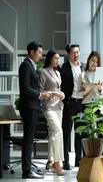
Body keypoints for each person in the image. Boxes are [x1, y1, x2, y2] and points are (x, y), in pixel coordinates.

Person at [19, 41, 51, 179]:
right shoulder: (25, 65)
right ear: (31, 52)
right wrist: (40, 95)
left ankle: (28, 167)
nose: (40, 56)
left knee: (29, 139)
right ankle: (26, 171)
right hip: (29, 107)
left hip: (32, 107)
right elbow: (25, 87)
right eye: (39, 53)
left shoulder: (31, 66)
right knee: (28, 139)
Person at [40, 50, 65, 176]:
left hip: (58, 106)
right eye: (56, 58)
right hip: (48, 107)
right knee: (58, 131)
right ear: (50, 59)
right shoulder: (44, 72)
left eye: (59, 58)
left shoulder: (58, 73)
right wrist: (54, 94)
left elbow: (58, 89)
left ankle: (50, 161)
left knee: (53, 134)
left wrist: (62, 94)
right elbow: (41, 91)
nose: (58, 60)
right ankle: (57, 163)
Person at [78, 51, 103, 155]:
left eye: (97, 62)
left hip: (100, 105)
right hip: (87, 105)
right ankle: (87, 159)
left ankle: (102, 158)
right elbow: (80, 93)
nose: (94, 63)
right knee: (86, 134)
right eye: (92, 60)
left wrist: (98, 88)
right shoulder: (82, 75)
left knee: (102, 132)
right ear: (88, 60)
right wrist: (92, 86)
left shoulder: (102, 74)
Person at [60, 43, 84, 170]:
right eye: (74, 52)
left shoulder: (83, 67)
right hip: (70, 104)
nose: (76, 54)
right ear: (69, 54)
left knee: (79, 132)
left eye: (78, 52)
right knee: (66, 133)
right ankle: (65, 161)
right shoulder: (63, 68)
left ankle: (78, 161)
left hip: (81, 104)